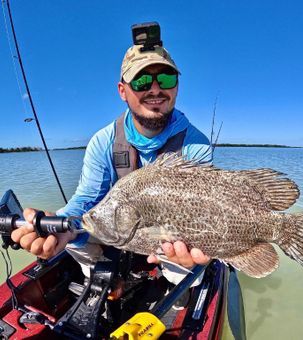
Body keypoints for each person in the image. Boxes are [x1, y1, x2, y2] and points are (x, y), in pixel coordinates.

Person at [11, 25, 211, 279]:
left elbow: (201, 211)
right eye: (140, 80)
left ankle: (177, 291)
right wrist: (60, 222)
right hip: (118, 227)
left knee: (186, 264)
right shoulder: (103, 141)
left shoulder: (196, 144)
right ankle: (106, 280)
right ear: (122, 91)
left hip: (168, 235)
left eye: (166, 78)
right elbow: (87, 198)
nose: (155, 88)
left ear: (177, 87)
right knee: (73, 238)